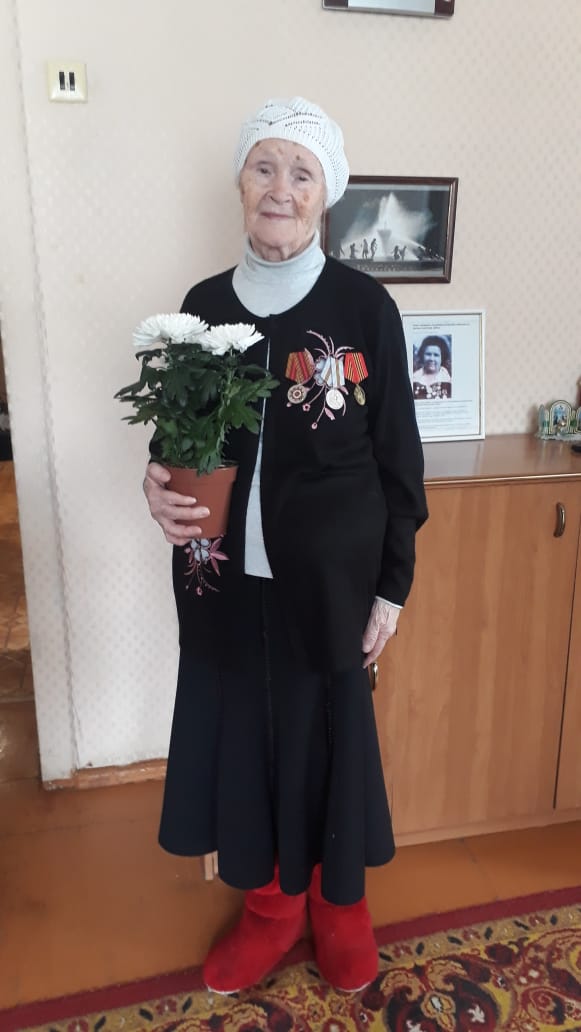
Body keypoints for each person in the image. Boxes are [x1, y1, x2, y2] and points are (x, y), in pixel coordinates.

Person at [143, 97, 428, 995]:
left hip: (331, 587)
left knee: (326, 746)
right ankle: (269, 910)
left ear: (324, 194)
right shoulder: (201, 308)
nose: (280, 188)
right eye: (263, 167)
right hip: (224, 584)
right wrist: (154, 481)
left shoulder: (362, 307)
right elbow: (178, 444)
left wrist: (390, 590)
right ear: (239, 183)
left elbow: (398, 462)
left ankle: (339, 909)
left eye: (300, 173)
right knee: (246, 744)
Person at [412, 335, 452, 400]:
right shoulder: (414, 378)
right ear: (422, 355)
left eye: (436, 355)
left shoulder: (449, 380)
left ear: (442, 357)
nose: (431, 359)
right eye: (428, 354)